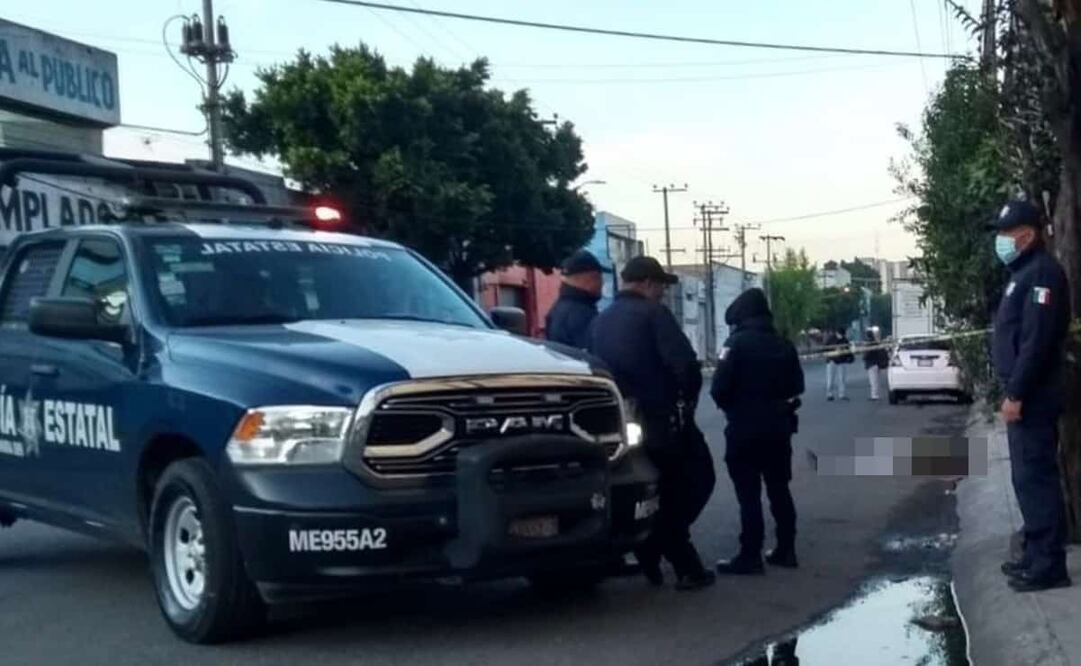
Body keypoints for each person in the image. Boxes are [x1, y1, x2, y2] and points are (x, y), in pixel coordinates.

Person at [589, 255, 716, 591]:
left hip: (620, 424)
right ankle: (678, 560)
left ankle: (650, 548)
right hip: (662, 422)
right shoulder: (653, 315)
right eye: (660, 284)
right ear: (645, 282)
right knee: (693, 483)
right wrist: (685, 405)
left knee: (648, 491)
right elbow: (686, 367)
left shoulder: (601, 321)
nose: (662, 292)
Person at [990, 200, 1072, 592]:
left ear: (1027, 234)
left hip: (1034, 394)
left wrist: (1017, 393)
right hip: (1024, 392)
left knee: (1036, 477)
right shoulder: (1022, 273)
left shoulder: (1042, 275)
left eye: (1007, 234)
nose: (1001, 241)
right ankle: (1035, 553)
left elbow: (1036, 342)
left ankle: (1049, 564)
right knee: (1025, 478)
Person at [710, 288, 805, 575]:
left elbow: (718, 389)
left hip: (744, 429)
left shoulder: (735, 345)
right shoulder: (784, 345)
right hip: (778, 428)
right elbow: (796, 386)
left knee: (748, 494)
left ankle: (750, 554)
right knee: (779, 489)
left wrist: (735, 408)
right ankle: (786, 550)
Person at [545, 250, 609, 349]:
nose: (602, 283)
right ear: (588, 278)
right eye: (598, 277)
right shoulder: (582, 314)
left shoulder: (558, 308)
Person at [825, 327, 853, 401]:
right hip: (832, 361)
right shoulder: (830, 339)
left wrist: (850, 358)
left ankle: (842, 394)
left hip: (842, 361)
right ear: (837, 333)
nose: (841, 336)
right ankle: (829, 394)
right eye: (840, 334)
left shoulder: (844, 340)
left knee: (842, 379)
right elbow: (825, 349)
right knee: (830, 379)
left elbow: (848, 350)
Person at [863, 329, 890, 401]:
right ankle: (876, 394)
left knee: (873, 381)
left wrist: (864, 357)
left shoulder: (869, 344)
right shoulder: (876, 343)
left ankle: (874, 395)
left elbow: (867, 354)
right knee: (877, 380)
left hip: (871, 364)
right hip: (877, 363)